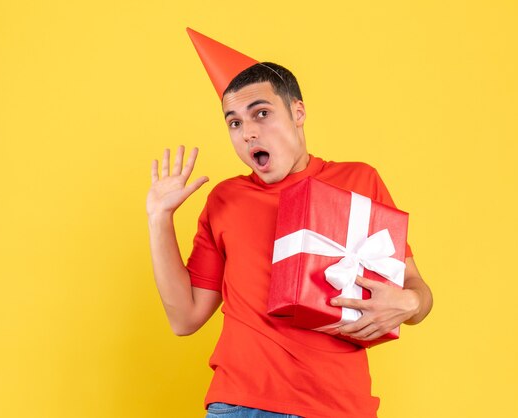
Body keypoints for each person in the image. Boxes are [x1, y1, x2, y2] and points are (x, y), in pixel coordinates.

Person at [146, 30, 432, 418]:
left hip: (339, 406)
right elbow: (185, 318)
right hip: (242, 405)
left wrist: (411, 302)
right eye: (234, 123)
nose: (248, 132)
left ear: (298, 112)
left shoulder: (359, 182)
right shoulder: (225, 200)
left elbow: (416, 290)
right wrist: (159, 218)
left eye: (261, 114)